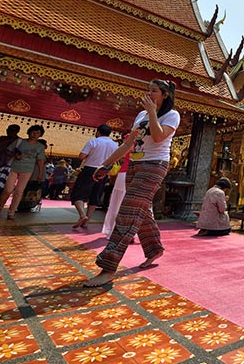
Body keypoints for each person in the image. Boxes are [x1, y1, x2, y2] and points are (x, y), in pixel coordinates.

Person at [84, 79, 179, 287]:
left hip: (155, 165)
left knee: (127, 213)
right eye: (148, 90)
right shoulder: (141, 116)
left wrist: (153, 112)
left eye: (154, 91)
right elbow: (128, 144)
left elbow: (158, 136)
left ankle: (108, 266)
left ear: (165, 95)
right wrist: (106, 164)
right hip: (135, 165)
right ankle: (154, 249)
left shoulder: (172, 115)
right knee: (141, 210)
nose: (149, 93)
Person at [70, 124, 118, 229]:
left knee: (78, 194)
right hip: (104, 171)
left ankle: (82, 215)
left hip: (90, 169)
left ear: (98, 132)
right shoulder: (114, 145)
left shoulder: (94, 141)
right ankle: (87, 220)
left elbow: (81, 156)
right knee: (95, 195)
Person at [0, 125, 46, 220]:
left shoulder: (40, 147)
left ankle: (11, 212)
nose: (34, 134)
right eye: (33, 132)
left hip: (27, 170)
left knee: (19, 191)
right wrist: (15, 155)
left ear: (40, 135)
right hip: (13, 168)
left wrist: (40, 174)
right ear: (28, 132)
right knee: (8, 189)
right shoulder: (20, 142)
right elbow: (8, 151)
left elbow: (40, 161)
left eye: (37, 133)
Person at [101, 147, 130, 239]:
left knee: (119, 203)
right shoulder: (134, 137)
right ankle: (123, 231)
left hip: (126, 173)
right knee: (121, 203)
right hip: (131, 173)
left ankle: (121, 230)